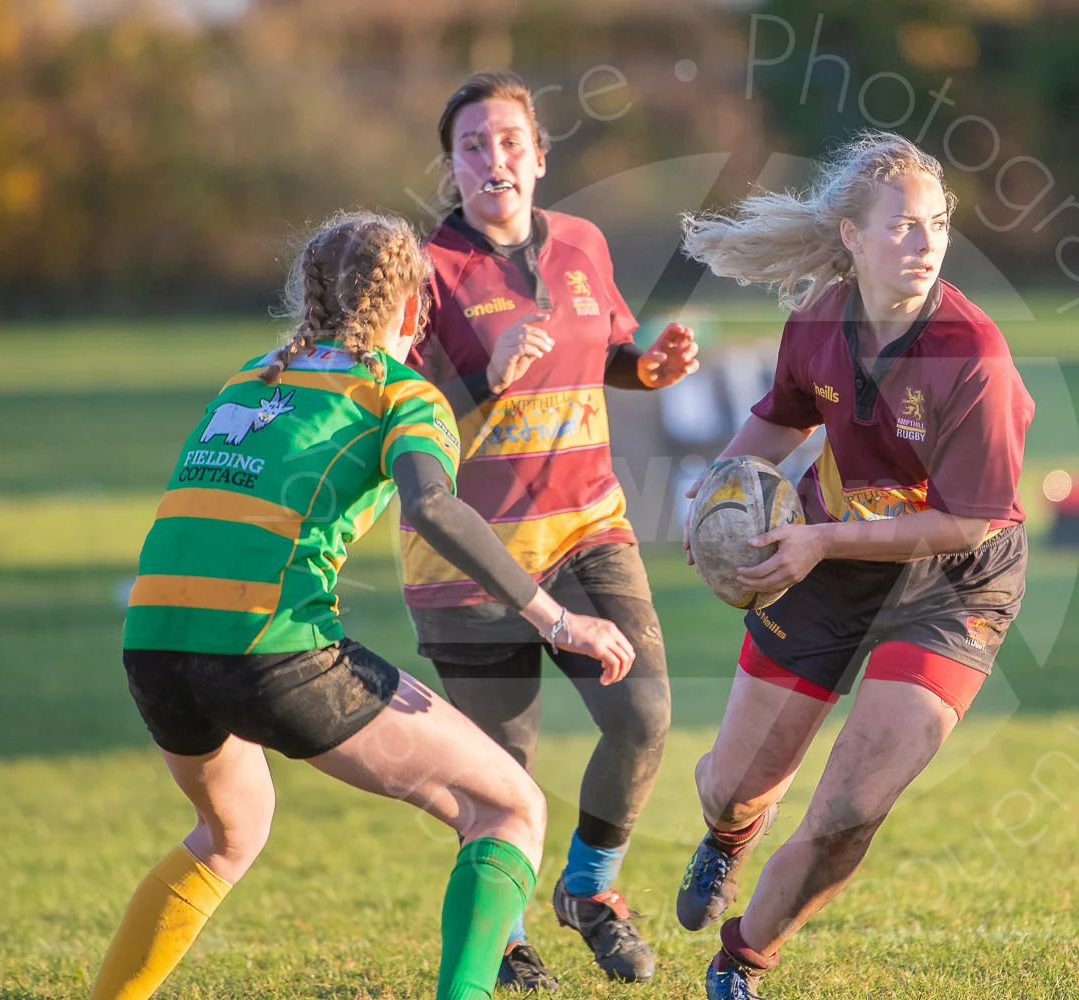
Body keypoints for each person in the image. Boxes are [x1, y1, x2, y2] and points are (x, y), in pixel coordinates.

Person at [96, 211, 637, 1000]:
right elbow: (432, 508)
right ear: (415, 308)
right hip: (267, 647)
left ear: (310, 296)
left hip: (152, 642)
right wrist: (556, 617)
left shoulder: (251, 377)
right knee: (511, 807)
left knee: (229, 832)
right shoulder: (401, 393)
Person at [676, 133, 1035, 999]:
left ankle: (741, 963)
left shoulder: (971, 353)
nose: (924, 243)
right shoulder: (819, 323)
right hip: (834, 555)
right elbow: (781, 417)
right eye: (903, 227)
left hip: (954, 579)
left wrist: (820, 540)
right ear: (851, 237)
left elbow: (965, 522)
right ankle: (729, 836)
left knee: (848, 811)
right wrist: (714, 496)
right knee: (730, 788)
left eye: (937, 226)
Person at [398, 70, 700, 990]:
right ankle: (512, 931)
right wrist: (480, 374)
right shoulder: (425, 272)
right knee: (504, 774)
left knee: (644, 714)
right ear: (453, 167)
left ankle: (592, 890)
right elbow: (399, 412)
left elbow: (608, 353)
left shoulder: (582, 243)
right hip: (470, 558)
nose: (496, 158)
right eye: (474, 145)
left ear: (539, 155)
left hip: (587, 531)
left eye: (510, 141)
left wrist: (650, 368)